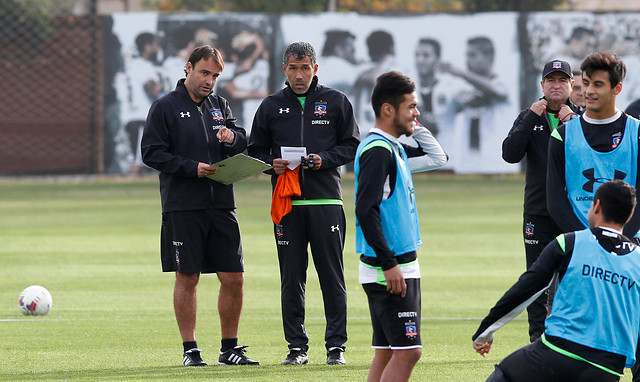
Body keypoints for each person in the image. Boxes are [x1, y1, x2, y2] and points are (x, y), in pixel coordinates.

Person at [141, 45, 259, 367]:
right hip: (183, 206)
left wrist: (231, 138)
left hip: (221, 203)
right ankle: (190, 350)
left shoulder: (219, 105)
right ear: (188, 68)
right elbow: (151, 153)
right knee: (188, 276)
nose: (210, 81)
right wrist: (190, 167)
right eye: (205, 73)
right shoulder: (165, 107)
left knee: (234, 277)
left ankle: (229, 349)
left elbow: (241, 136)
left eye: (216, 76)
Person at [248, 41, 360, 366]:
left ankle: (335, 346)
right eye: (294, 68)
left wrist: (322, 159)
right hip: (287, 205)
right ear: (284, 68)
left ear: (315, 68)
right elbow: (255, 151)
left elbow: (352, 145)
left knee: (332, 276)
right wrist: (272, 163)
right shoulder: (270, 106)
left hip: (326, 201)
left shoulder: (336, 102)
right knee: (292, 278)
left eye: (305, 68)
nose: (300, 75)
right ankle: (297, 348)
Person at [472, 179, 640, 382]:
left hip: (557, 352)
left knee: (504, 376)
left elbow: (527, 287)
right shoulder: (638, 259)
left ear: (597, 206)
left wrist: (486, 331)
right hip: (607, 369)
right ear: (630, 215)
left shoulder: (569, 242)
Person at [354, 71, 447, 382]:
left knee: (388, 351)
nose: (416, 113)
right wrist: (389, 263)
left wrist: (413, 127)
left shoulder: (391, 148)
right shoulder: (378, 151)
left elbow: (438, 157)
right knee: (408, 352)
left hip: (393, 266)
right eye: (411, 107)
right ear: (387, 109)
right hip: (390, 269)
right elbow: (366, 211)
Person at [502, 59, 583, 343]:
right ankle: (538, 336)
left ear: (572, 85)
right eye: (551, 80)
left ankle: (571, 335)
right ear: (542, 85)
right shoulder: (529, 116)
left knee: (574, 276)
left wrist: (574, 124)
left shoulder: (582, 118)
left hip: (574, 212)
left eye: (562, 80)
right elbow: (510, 154)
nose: (556, 85)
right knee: (537, 277)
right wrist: (528, 119)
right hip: (537, 212)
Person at [547, 51, 640, 242]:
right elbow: (555, 202)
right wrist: (587, 241)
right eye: (586, 83)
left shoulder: (637, 132)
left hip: (630, 244)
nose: (588, 91)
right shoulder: (561, 136)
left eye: (598, 84)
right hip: (581, 243)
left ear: (617, 88)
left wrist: (619, 239)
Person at [440, 36, 512, 174]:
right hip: (468, 161)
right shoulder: (462, 87)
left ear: (489, 56)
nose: (468, 60)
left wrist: (461, 73)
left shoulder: (503, 81)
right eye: (467, 55)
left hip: (496, 160)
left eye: (472, 55)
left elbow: (497, 92)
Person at [124, 31, 165, 175]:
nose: (158, 48)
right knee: (137, 164)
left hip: (140, 118)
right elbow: (153, 90)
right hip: (140, 118)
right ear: (147, 47)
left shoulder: (136, 65)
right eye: (156, 45)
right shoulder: (143, 66)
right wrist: (161, 79)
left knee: (150, 162)